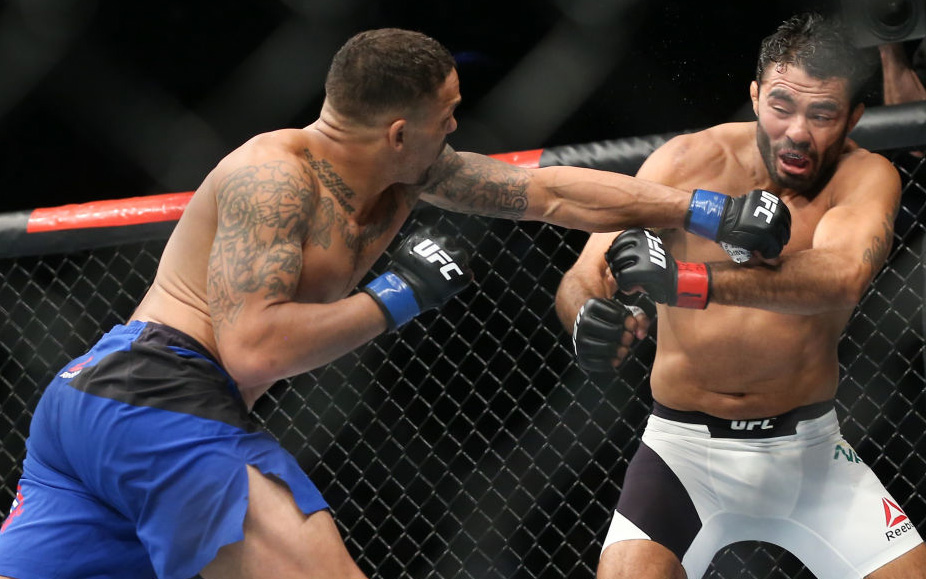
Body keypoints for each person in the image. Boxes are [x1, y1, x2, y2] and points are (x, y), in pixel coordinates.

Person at [0, 28, 789, 579]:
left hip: (96, 403)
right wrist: (399, 294)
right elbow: (254, 348)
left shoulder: (415, 170)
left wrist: (703, 212)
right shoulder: (272, 177)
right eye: (446, 112)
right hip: (158, 395)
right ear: (400, 129)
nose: (458, 123)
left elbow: (548, 192)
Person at [556, 12, 926, 579]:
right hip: (681, 454)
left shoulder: (865, 176)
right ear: (754, 97)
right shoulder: (687, 163)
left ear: (853, 117)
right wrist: (589, 318)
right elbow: (586, 274)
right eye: (782, 106)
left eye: (822, 113)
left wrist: (683, 281)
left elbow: (839, 275)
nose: (798, 131)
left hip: (812, 454)